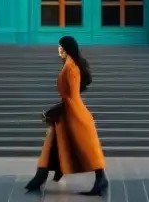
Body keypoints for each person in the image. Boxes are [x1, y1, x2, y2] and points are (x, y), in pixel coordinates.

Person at [24, 36, 109, 196]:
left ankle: (101, 179)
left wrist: (55, 110)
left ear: (66, 48)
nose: (58, 49)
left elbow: (71, 95)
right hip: (69, 112)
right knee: (52, 146)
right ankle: (40, 176)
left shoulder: (70, 68)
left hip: (74, 113)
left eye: (60, 46)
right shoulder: (70, 66)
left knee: (86, 148)